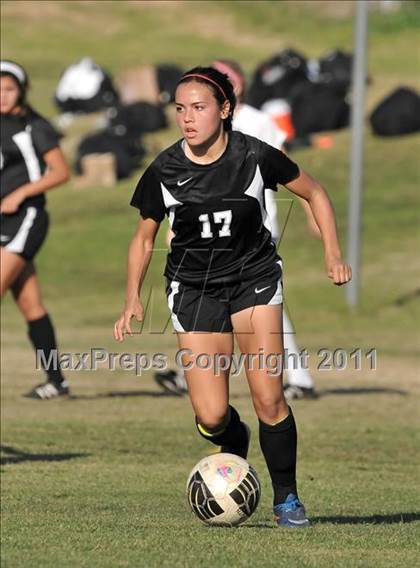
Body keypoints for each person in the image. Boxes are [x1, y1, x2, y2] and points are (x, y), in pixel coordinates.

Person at [114, 67, 351, 527]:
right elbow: (144, 238)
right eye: (180, 108)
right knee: (212, 414)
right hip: (194, 292)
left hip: (254, 282)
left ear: (224, 110)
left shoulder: (256, 156)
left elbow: (315, 192)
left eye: (199, 108)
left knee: (270, 398)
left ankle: (287, 499)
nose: (187, 118)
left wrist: (332, 253)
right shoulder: (164, 168)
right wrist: (132, 299)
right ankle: (233, 439)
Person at [155, 59, 319, 400]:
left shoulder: (258, 121)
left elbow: (290, 169)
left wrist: (310, 211)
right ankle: (200, 376)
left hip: (255, 226)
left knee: (254, 303)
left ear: (238, 84)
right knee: (215, 295)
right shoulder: (201, 117)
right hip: (209, 230)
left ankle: (297, 377)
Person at [1, 60, 70, 399]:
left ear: (23, 90)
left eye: (9, 89)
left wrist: (21, 193)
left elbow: (60, 172)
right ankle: (56, 381)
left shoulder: (35, 127)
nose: (2, 96)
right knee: (31, 306)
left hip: (25, 219)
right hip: (3, 220)